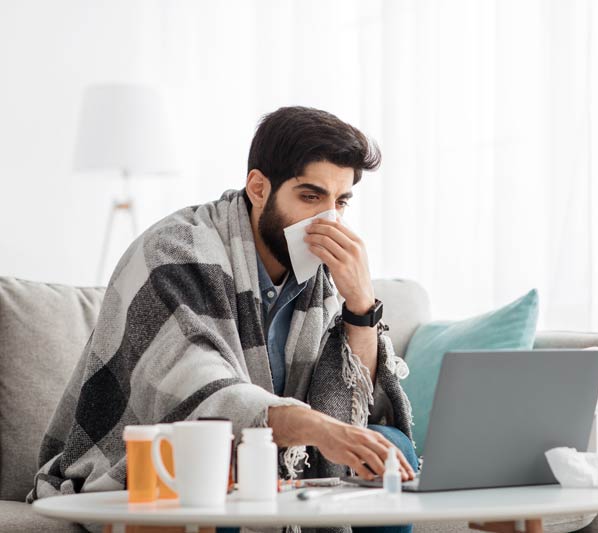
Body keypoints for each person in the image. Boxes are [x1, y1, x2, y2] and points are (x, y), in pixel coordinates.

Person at [28, 107, 418, 533]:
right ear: (258, 188)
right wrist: (317, 428)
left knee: (391, 449)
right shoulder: (174, 251)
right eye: (310, 197)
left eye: (340, 201)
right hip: (164, 457)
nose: (329, 220)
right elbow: (196, 390)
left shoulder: (322, 274)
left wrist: (361, 306)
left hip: (277, 462)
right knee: (210, 463)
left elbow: (357, 410)